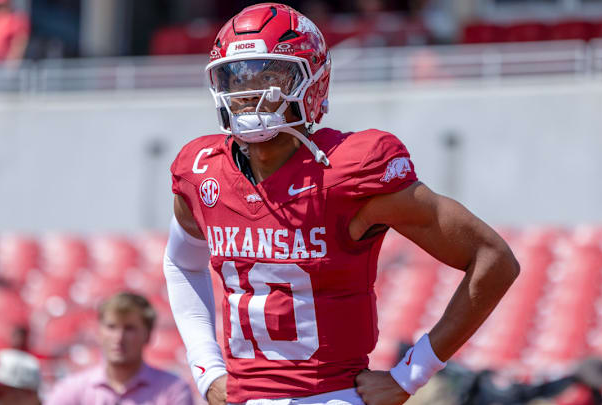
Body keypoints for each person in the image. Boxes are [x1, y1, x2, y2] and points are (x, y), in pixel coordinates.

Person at [163, 3, 519, 405]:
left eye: (270, 74)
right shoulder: (202, 170)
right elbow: (180, 263)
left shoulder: (352, 167)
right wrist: (206, 368)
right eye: (235, 76)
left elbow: (493, 258)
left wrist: (411, 374)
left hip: (331, 396)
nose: (250, 91)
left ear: (311, 80)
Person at [44, 292, 194, 405]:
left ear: (147, 335)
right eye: (111, 327)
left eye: (129, 329)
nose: (119, 337)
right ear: (99, 332)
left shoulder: (173, 389)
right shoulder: (71, 388)